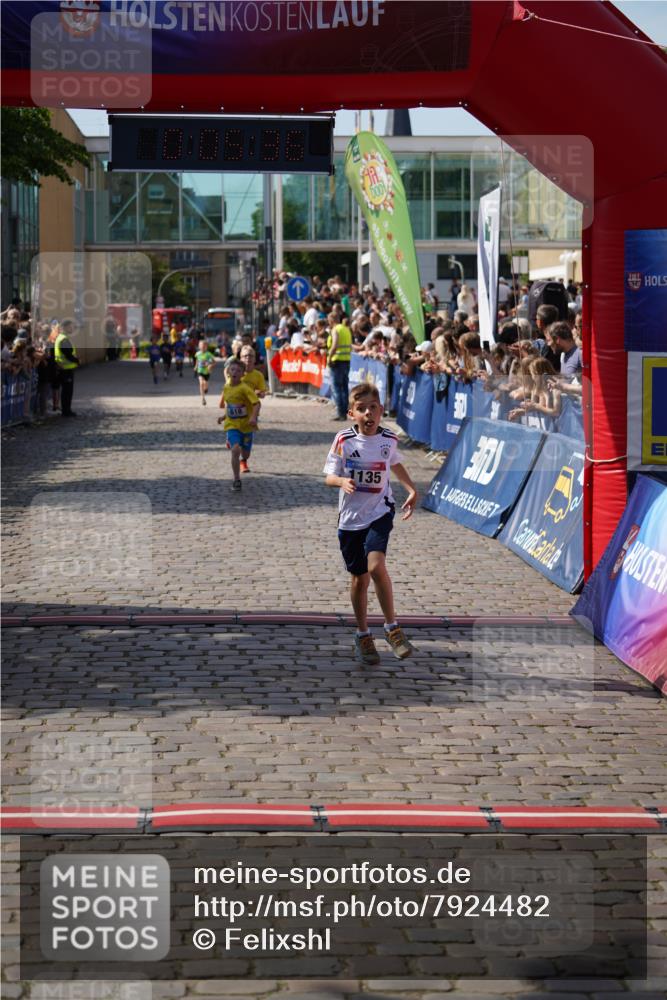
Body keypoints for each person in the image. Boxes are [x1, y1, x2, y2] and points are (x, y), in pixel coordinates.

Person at [323, 383, 418, 667]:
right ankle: (363, 634)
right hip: (350, 519)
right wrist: (342, 481)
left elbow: (394, 463)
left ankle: (392, 628)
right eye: (361, 408)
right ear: (351, 413)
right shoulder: (343, 440)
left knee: (376, 567)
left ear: (381, 411)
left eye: (373, 408)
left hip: (380, 512)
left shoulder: (389, 439)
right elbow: (329, 476)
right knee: (359, 579)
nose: (368, 413)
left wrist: (411, 489)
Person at [217, 358, 260, 491]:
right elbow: (230, 405)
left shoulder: (245, 389)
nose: (235, 372)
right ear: (228, 372)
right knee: (235, 450)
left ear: (242, 374)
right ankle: (236, 479)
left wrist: (253, 417)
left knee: (245, 455)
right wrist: (224, 416)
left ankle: (242, 457)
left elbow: (257, 404)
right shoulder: (226, 387)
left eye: (239, 370)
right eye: (233, 369)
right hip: (232, 425)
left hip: (246, 426)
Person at [327, 311, 352, 421]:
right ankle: (344, 411)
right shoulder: (346, 329)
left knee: (336, 388)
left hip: (336, 361)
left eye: (329, 320)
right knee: (344, 387)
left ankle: (340, 412)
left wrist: (329, 357)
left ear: (332, 320)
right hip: (346, 360)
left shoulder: (335, 329)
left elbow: (335, 345)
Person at [54, 320, 79, 417]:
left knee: (66, 391)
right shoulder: (63, 339)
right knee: (67, 391)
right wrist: (77, 360)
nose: (72, 328)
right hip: (66, 369)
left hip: (64, 368)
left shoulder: (62, 337)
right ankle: (66, 411)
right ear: (66, 327)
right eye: (71, 326)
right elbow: (68, 354)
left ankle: (66, 410)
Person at [194, 339, 216, 405]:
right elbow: (197, 360)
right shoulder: (197, 354)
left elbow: (214, 362)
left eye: (204, 346)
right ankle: (203, 398)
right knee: (201, 383)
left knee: (205, 383)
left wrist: (211, 365)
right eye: (201, 346)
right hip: (200, 371)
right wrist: (196, 366)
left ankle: (206, 388)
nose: (203, 347)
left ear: (206, 347)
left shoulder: (208, 354)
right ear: (199, 346)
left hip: (207, 371)